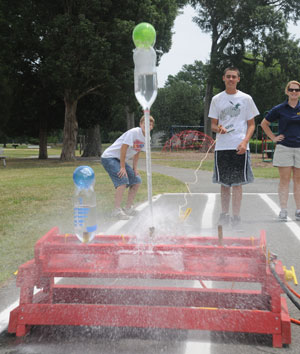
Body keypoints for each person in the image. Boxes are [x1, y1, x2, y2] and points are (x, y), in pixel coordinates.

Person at [209, 67, 259, 227]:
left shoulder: (246, 99)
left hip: (239, 146)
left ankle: (236, 217)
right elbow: (213, 125)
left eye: (234, 77)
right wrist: (219, 129)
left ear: (238, 79)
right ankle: (224, 214)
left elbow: (251, 125)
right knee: (224, 184)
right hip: (222, 147)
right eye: (228, 76)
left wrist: (245, 142)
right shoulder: (217, 99)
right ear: (223, 78)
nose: (231, 79)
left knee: (237, 184)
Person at [101, 115, 155, 219]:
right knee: (123, 180)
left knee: (136, 180)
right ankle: (116, 211)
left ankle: (128, 208)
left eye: (150, 125)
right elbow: (123, 148)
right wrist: (122, 167)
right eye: (145, 123)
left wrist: (134, 168)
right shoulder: (134, 132)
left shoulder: (147, 138)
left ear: (152, 127)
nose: (147, 126)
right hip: (109, 157)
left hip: (118, 159)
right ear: (140, 124)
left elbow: (137, 151)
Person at [261, 80, 300, 222]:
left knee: (298, 181)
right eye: (292, 90)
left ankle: (298, 210)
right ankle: (283, 210)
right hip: (284, 148)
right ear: (287, 91)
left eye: (297, 90)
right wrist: (273, 137)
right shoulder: (280, 108)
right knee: (284, 180)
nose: (294, 92)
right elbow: (264, 123)